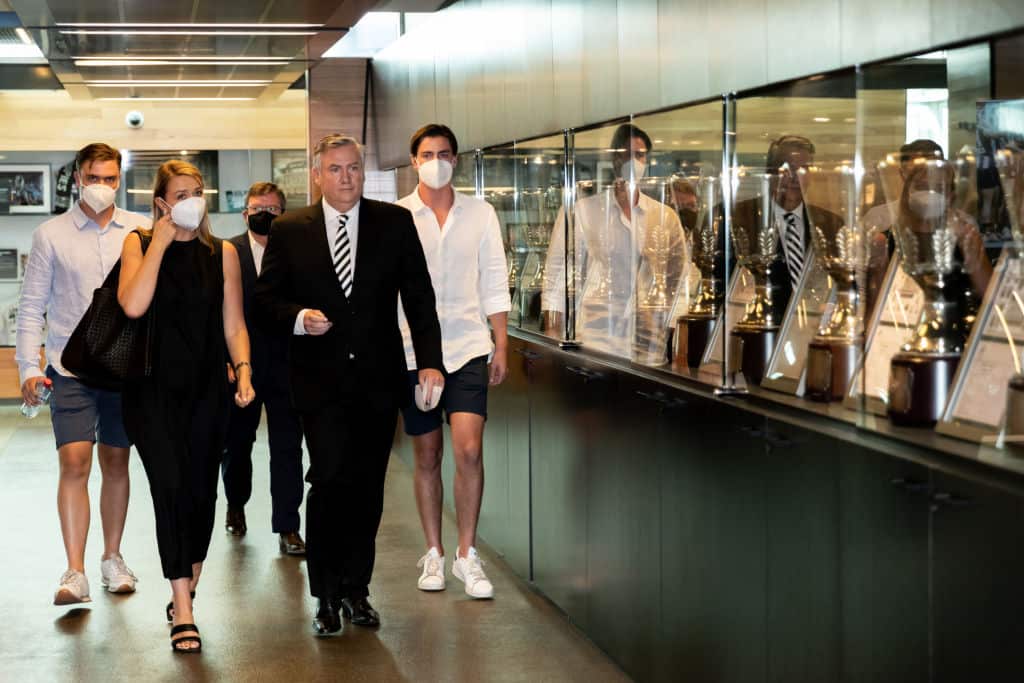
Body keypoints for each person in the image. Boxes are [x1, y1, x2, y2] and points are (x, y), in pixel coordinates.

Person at [253, 134, 443, 636]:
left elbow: (420, 299)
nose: (345, 177)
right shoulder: (291, 229)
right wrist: (298, 318)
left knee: (367, 489)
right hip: (318, 383)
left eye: (353, 168)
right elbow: (266, 302)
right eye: (335, 169)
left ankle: (358, 590)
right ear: (317, 175)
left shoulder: (393, 223)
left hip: (379, 383)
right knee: (329, 480)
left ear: (364, 172)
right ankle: (325, 594)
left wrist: (431, 363)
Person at [117, 159, 255, 653]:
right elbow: (132, 304)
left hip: (207, 392)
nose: (192, 199)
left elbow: (234, 323)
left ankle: (187, 583)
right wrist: (159, 237)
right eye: (180, 193)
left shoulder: (222, 254)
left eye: (197, 191)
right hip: (150, 393)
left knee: (202, 494)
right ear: (160, 202)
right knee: (170, 489)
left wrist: (243, 370)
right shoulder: (136, 242)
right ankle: (185, 607)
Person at [16, 143, 150, 605]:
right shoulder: (50, 234)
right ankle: (74, 571)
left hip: (123, 370)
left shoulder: (140, 230)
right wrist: (28, 367)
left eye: (110, 178)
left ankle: (112, 558)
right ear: (77, 178)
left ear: (120, 179)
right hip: (68, 370)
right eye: (94, 178)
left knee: (116, 462)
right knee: (74, 462)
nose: (102, 187)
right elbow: (33, 306)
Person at [396, 124, 511, 599]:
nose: (436, 160)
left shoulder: (481, 214)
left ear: (457, 160)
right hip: (412, 351)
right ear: (413, 160)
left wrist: (501, 342)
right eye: (427, 153)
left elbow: (494, 278)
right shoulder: (398, 216)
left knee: (468, 450)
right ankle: (434, 553)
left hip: (467, 347)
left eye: (444, 153)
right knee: (428, 454)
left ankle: (467, 554)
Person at [541, 124, 688, 358]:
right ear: (614, 158)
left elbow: (680, 280)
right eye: (626, 154)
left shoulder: (664, 217)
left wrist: (676, 338)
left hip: (647, 342)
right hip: (595, 339)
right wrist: (552, 328)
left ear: (647, 159)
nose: (633, 161)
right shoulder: (582, 211)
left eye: (639, 155)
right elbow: (556, 273)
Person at [220, 182, 306, 556]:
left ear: (282, 214)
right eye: (258, 208)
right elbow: (218, 312)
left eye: (272, 209)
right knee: (238, 444)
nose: (264, 215)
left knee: (287, 447)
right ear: (245, 212)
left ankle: (288, 527)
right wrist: (227, 360)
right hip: (243, 366)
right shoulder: (227, 252)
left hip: (288, 364)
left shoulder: (298, 252)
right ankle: (236, 504)